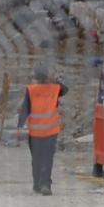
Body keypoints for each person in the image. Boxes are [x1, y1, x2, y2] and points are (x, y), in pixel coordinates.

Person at [17, 66, 66, 196]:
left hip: (35, 133)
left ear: (37, 78)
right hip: (51, 131)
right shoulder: (55, 89)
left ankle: (37, 184)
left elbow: (25, 108)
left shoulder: (31, 90)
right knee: (47, 158)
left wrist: (19, 126)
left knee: (37, 159)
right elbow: (65, 89)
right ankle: (45, 185)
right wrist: (55, 80)